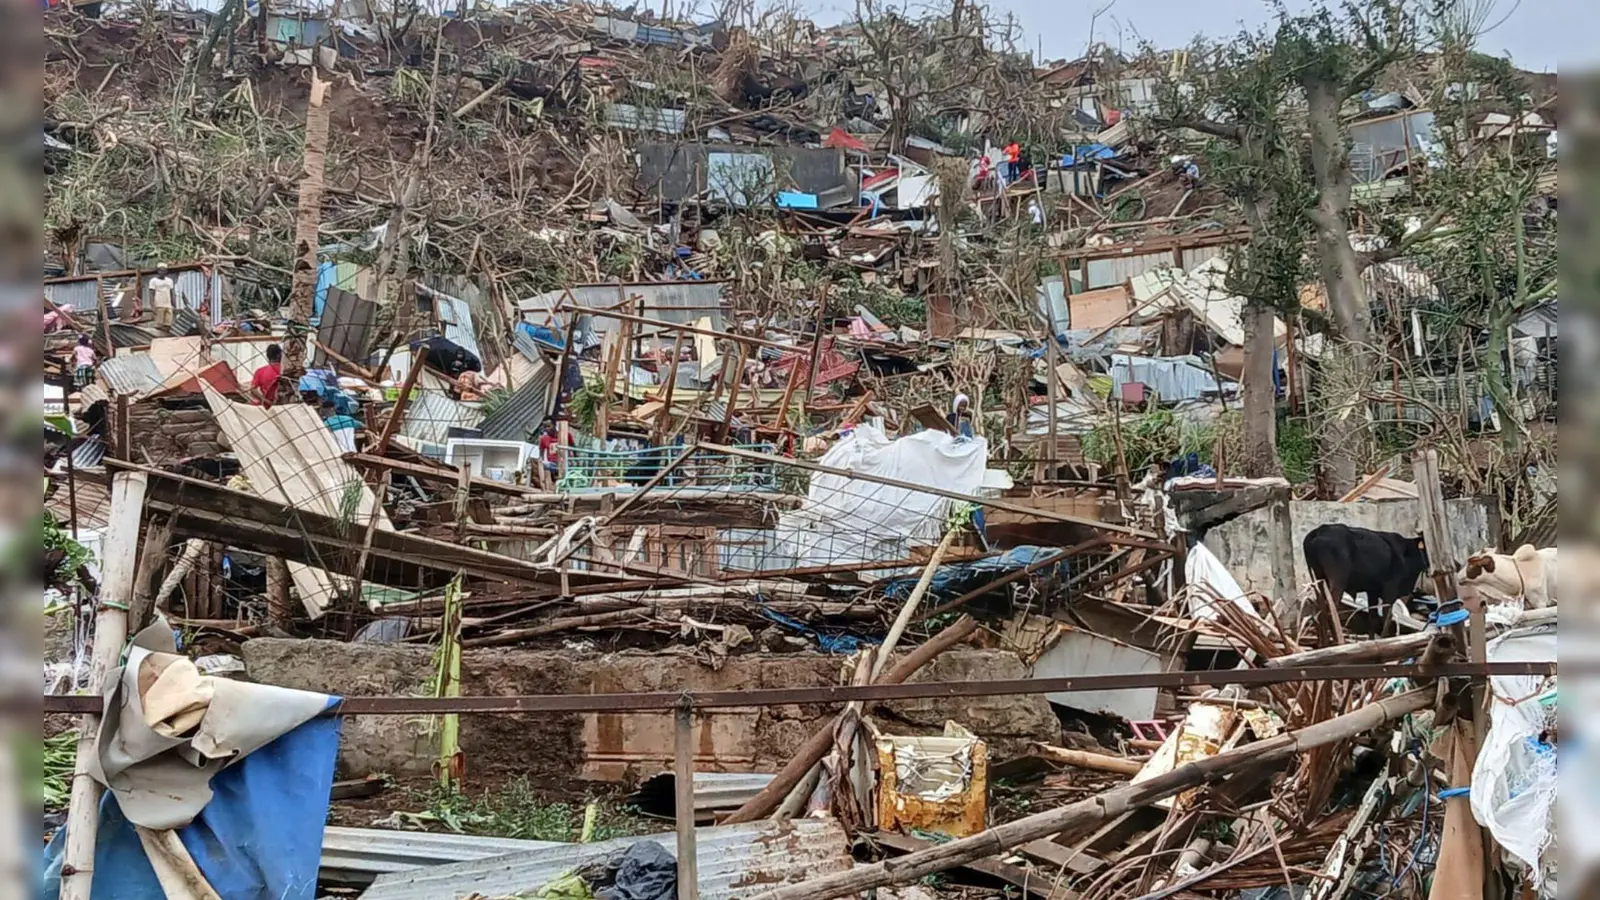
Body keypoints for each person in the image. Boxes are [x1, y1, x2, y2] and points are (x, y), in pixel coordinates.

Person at [251, 343, 283, 408]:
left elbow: (252, 390)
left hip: (268, 406)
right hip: (285, 404)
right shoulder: (286, 371)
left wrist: (265, 400)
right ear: (279, 355)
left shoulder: (260, 371)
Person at [147, 264, 177, 330]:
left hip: (168, 305)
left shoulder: (170, 281)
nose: (162, 272)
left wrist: (174, 304)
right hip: (159, 305)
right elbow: (151, 293)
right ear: (158, 271)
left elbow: (172, 293)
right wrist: (152, 305)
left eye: (164, 271)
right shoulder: (153, 281)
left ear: (166, 271)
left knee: (168, 324)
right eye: (160, 270)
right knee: (159, 324)